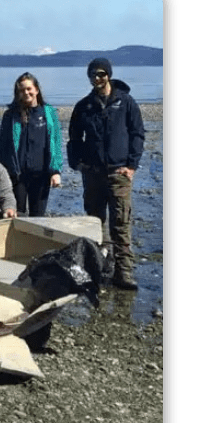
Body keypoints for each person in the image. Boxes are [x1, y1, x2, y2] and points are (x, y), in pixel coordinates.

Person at [67, 58, 145, 290]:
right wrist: (77, 164)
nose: (97, 78)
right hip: (92, 174)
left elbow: (137, 133)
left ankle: (124, 272)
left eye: (101, 74)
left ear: (109, 75)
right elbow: (74, 138)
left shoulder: (126, 102)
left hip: (119, 173)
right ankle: (101, 269)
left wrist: (132, 165)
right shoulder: (84, 106)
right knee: (94, 224)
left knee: (120, 224)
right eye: (92, 75)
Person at [0, 72, 62, 217]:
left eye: (28, 89)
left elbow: (56, 143)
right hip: (17, 175)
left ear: (36, 90)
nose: (26, 93)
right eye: (21, 90)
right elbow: (3, 147)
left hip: (41, 175)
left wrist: (55, 171)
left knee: (38, 217)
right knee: (16, 216)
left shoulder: (49, 113)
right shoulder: (10, 115)